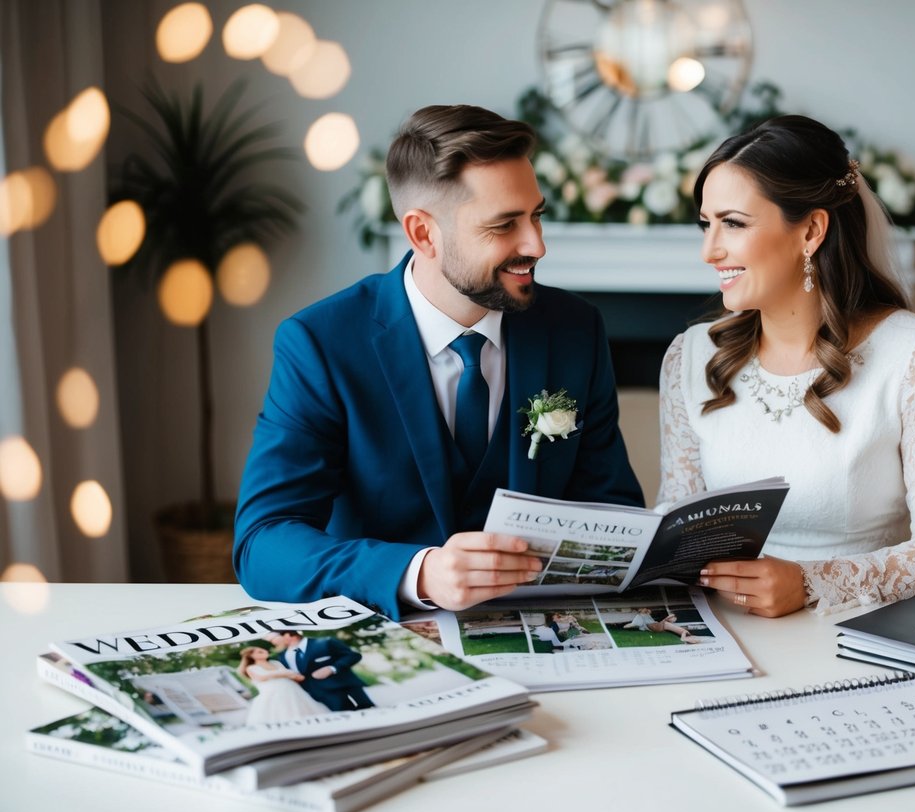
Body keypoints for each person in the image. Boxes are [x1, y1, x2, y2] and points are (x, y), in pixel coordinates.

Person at [234, 105, 643, 619]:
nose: (536, 244)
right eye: (503, 225)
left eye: (536, 214)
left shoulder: (575, 329)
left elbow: (613, 510)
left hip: (548, 628)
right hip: (389, 640)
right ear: (423, 234)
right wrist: (421, 573)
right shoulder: (320, 344)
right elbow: (263, 544)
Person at [660, 115, 915, 619]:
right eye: (706, 223)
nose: (709, 250)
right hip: (727, 628)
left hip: (867, 629)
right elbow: (676, 518)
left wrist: (809, 583)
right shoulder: (691, 356)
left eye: (734, 223)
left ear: (810, 230)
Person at [267, 630, 373, 712]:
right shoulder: (282, 656)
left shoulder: (325, 642)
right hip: (318, 694)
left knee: (370, 715)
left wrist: (332, 668)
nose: (272, 643)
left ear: (287, 634)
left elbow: (353, 656)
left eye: (273, 639)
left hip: (345, 688)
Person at [237, 645, 331, 724]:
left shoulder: (275, 663)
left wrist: (293, 676)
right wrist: (284, 673)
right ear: (251, 656)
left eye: (263, 650)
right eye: (259, 652)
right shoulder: (251, 668)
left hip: (291, 689)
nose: (264, 651)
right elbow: (262, 677)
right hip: (272, 694)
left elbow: (289, 674)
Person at [622, 607, 701, 643]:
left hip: (658, 625)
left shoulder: (646, 615)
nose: (647, 610)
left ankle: (685, 635)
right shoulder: (639, 617)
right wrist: (625, 626)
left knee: (674, 623)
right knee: (682, 630)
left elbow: (649, 611)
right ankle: (684, 637)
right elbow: (633, 624)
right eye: (643, 609)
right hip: (657, 626)